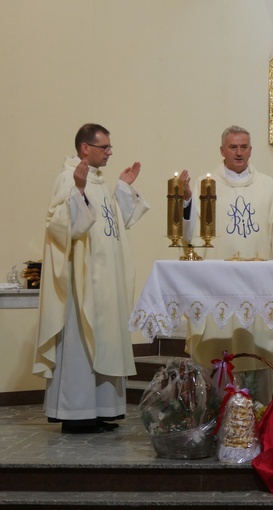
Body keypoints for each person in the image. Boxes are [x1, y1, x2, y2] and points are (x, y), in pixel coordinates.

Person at [33, 123, 150, 434]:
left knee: (106, 342)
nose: (110, 152)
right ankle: (76, 413)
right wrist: (78, 191)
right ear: (85, 148)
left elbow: (113, 223)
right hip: (81, 281)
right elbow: (59, 226)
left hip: (106, 281)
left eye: (110, 147)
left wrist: (123, 188)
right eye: (105, 147)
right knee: (80, 344)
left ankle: (102, 410)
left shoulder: (98, 180)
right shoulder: (69, 177)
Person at [180, 125, 273, 403]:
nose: (239, 152)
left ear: (251, 150)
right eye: (233, 147)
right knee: (217, 345)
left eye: (244, 147)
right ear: (222, 150)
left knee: (255, 344)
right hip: (216, 284)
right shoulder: (203, 185)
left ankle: (259, 414)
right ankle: (215, 416)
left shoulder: (268, 187)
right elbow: (188, 234)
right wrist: (185, 200)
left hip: (257, 285)